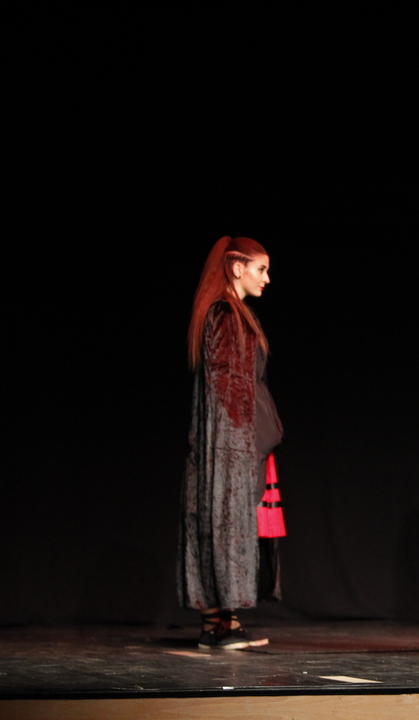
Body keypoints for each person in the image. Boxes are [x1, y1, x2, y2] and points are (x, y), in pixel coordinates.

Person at [178, 236, 284, 650]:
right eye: (261, 269)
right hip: (227, 443)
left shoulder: (232, 313)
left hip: (232, 441)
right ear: (237, 268)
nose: (267, 279)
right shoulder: (223, 314)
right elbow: (226, 389)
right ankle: (217, 626)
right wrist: (239, 449)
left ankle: (226, 623)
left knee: (224, 524)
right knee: (219, 523)